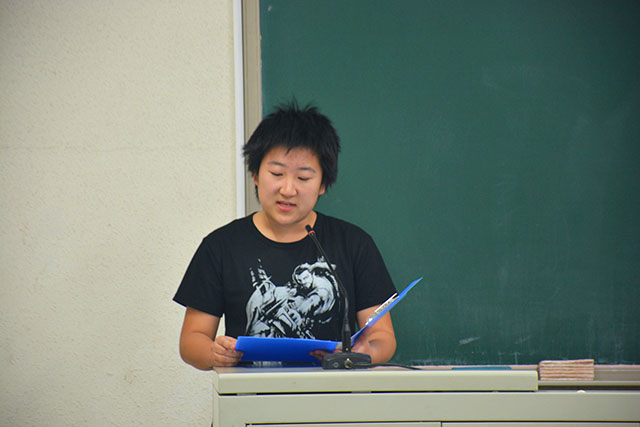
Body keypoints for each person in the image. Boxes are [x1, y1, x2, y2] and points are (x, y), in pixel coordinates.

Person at [173, 101, 397, 369]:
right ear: (256, 175)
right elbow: (192, 340)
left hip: (334, 394)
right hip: (250, 394)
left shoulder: (354, 244)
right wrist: (213, 353)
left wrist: (366, 351)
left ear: (322, 184)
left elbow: (383, 337)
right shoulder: (220, 246)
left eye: (303, 178)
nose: (288, 190)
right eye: (277, 173)